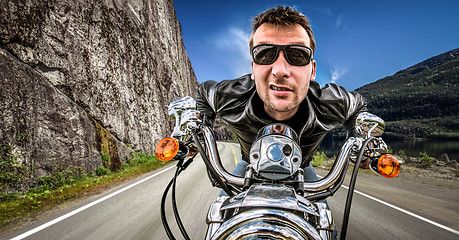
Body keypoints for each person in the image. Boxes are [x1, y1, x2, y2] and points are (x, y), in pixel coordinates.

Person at [196, 6, 369, 239]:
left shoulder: (332, 103)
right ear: (253, 68)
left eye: (297, 55)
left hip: (302, 168)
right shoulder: (228, 96)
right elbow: (203, 95)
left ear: (312, 70)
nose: (279, 70)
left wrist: (360, 141)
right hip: (248, 165)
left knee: (325, 227)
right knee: (220, 214)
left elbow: (358, 107)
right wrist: (199, 128)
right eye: (265, 54)